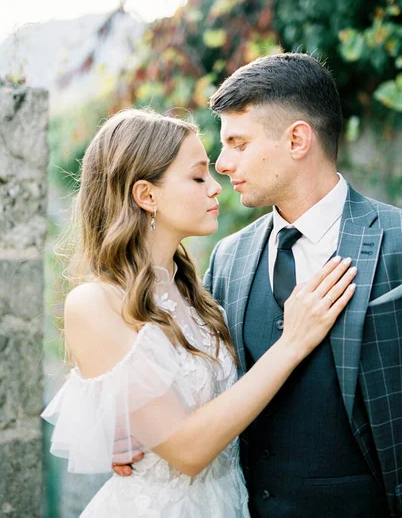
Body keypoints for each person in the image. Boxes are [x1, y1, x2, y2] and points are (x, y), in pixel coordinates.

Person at [42, 108, 356, 518]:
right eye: (197, 177)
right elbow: (187, 451)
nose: (215, 187)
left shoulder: (193, 288)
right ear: (146, 195)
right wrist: (292, 342)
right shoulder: (93, 302)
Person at [203, 53, 401, 518]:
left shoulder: (397, 241)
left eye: (238, 143)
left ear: (297, 140)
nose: (222, 162)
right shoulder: (228, 258)